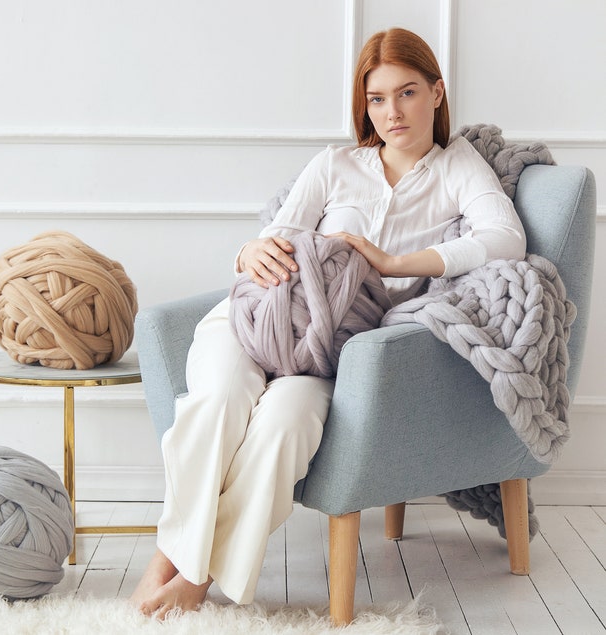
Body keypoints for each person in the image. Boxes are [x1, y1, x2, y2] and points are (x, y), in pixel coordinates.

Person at [130, 27, 526, 618]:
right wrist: (246, 254)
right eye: (377, 98)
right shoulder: (336, 164)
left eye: (408, 93)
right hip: (257, 316)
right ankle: (173, 564)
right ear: (363, 104)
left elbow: (506, 241)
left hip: (331, 350)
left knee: (286, 424)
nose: (392, 112)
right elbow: (275, 239)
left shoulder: (458, 169)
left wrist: (394, 263)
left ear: (438, 93)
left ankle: (194, 574)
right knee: (215, 403)